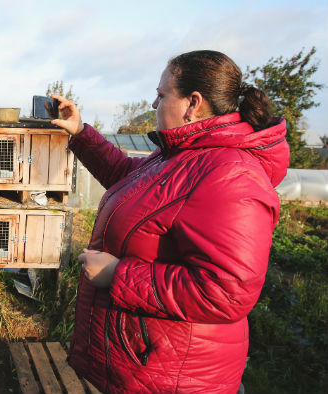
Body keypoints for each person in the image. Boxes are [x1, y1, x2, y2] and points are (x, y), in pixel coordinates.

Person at [50, 50, 289, 394]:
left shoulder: (230, 174)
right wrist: (81, 133)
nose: (154, 102)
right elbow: (128, 178)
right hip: (145, 365)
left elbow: (227, 291)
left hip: (176, 378)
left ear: (193, 103)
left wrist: (118, 274)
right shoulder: (182, 156)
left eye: (162, 95)